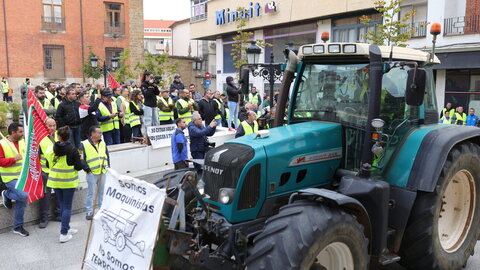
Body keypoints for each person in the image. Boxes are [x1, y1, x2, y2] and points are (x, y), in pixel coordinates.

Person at [46, 126, 86, 243]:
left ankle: (67, 228)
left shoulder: (52, 148)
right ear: (69, 136)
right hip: (68, 182)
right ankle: (63, 233)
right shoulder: (73, 149)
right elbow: (79, 167)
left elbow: (48, 164)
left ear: (58, 136)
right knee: (67, 207)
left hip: (55, 181)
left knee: (63, 205)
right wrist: (82, 159)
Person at [0, 123, 28, 236]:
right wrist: (13, 159)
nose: (22, 134)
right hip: (10, 177)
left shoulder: (22, 142)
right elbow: (1, 162)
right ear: (13, 132)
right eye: (20, 132)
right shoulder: (2, 144)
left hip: (22, 176)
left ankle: (18, 226)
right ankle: (6, 193)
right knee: (24, 196)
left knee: (22, 199)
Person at [80, 126, 110, 220]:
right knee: (91, 193)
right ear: (92, 134)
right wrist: (87, 170)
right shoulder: (83, 144)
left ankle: (102, 209)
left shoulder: (103, 143)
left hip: (102, 172)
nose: (101, 134)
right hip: (91, 173)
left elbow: (107, 156)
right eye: (99, 133)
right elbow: (81, 159)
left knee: (102, 192)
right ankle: (89, 211)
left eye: (101, 133)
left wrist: (108, 167)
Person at [38, 118, 60, 228]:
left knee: (58, 194)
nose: (52, 128)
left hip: (58, 171)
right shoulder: (40, 139)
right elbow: (36, 158)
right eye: (49, 126)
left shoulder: (59, 136)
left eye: (54, 125)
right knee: (45, 197)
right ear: (44, 126)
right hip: (45, 172)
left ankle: (58, 214)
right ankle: (44, 218)